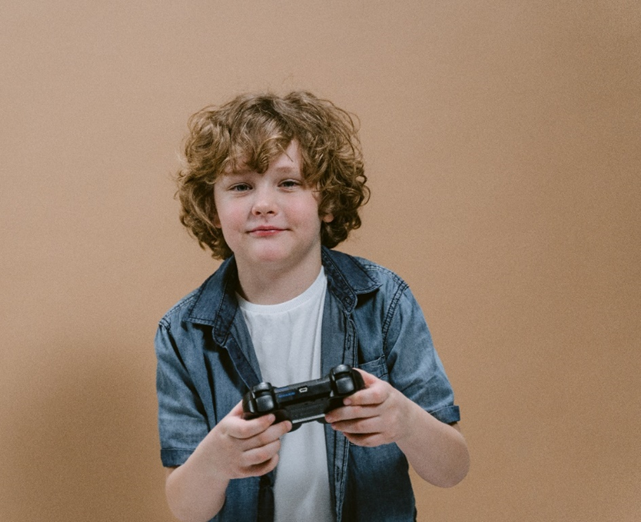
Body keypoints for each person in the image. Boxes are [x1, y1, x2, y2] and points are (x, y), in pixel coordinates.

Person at [155, 91, 469, 522]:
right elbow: (186, 509)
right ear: (212, 208)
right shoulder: (183, 332)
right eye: (241, 186)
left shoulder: (384, 300)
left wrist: (404, 421)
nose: (263, 204)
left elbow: (453, 468)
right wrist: (215, 460)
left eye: (288, 182)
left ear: (328, 201)